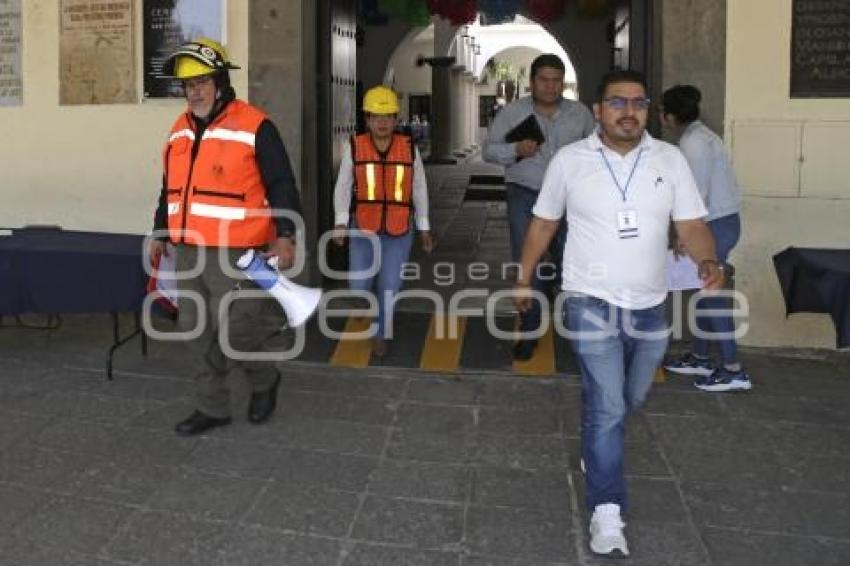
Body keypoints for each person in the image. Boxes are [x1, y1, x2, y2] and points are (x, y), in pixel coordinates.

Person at [514, 70, 723, 558]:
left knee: (630, 396)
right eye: (617, 103)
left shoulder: (669, 159)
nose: (629, 112)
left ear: (648, 110)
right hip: (589, 299)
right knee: (608, 406)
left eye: (638, 103)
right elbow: (544, 223)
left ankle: (597, 444)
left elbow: (690, 223)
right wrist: (524, 278)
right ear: (597, 110)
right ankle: (607, 510)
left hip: (650, 306)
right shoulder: (570, 161)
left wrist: (707, 259)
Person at [148, 38, 303, 436]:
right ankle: (211, 407)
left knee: (236, 331)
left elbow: (282, 183)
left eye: (201, 81)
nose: (193, 91)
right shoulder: (179, 130)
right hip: (187, 251)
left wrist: (285, 234)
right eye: (187, 85)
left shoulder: (255, 125)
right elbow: (171, 187)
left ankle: (264, 379)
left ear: (220, 82)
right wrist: (159, 230)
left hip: (237, 250)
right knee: (196, 331)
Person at [483, 53, 596, 361]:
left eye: (556, 80)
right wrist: (514, 149)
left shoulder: (580, 114)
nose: (550, 86)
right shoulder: (512, 113)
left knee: (572, 261)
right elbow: (488, 151)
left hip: (570, 199)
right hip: (525, 194)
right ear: (532, 82)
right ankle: (530, 330)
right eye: (544, 80)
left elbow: (599, 151)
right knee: (527, 261)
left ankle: (577, 325)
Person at [659, 85, 751, 392]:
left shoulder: (693, 144)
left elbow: (695, 194)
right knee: (703, 291)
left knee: (710, 292)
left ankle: (732, 368)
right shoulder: (702, 136)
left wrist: (682, 235)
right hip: (720, 222)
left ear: (670, 116)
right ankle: (700, 355)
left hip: (714, 225)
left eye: (662, 113)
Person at [332, 86, 434, 357]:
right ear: (367, 119)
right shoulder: (354, 146)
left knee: (390, 284)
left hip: (399, 229)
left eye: (388, 116)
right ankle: (362, 302)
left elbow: (419, 188)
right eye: (376, 116)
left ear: (396, 119)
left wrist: (424, 227)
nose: (382, 122)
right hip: (363, 226)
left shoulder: (409, 149)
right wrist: (341, 222)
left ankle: (381, 332)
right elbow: (343, 186)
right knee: (359, 282)